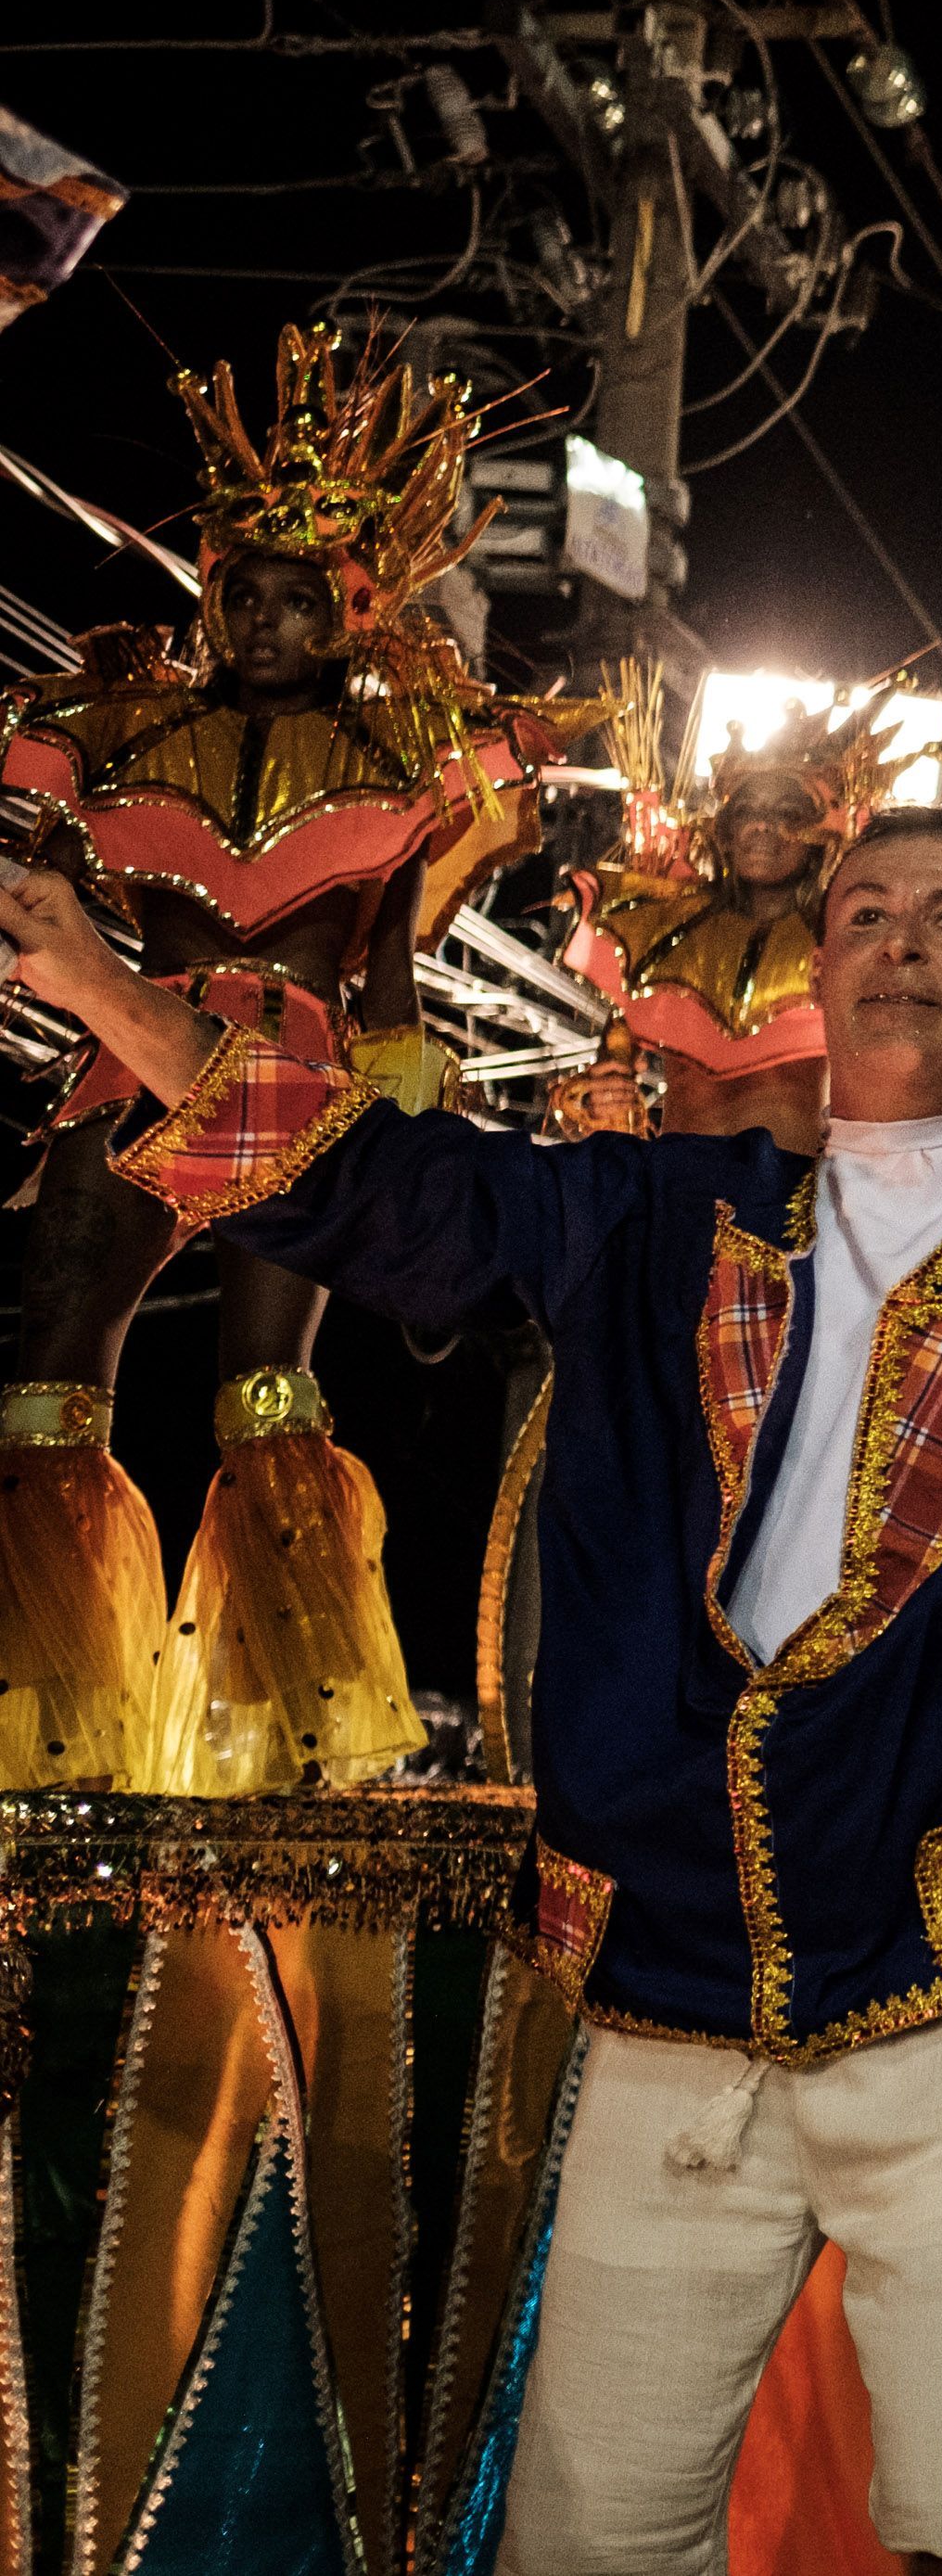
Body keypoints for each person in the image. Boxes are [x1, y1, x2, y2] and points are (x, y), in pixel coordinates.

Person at [0, 630, 942, 2573]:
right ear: (815, 968)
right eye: (867, 911)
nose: (901, 938)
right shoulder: (659, 1216)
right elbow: (373, 1188)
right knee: (593, 2532)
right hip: (675, 1973)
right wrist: (97, 986)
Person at [0, 329, 526, 1792]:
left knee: (263, 1388)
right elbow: (27, 801)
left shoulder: (403, 759)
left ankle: (284, 1736)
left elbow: (394, 958)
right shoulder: (125, 724)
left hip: (288, 1073)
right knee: (50, 1364)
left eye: (304, 600)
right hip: (126, 1049)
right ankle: (48, 1726)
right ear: (213, 599)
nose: (269, 622)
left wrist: (408, 1087)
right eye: (245, 594)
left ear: (348, 616)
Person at [566, 675, 935, 1156]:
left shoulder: (851, 948)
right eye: (748, 810)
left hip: (791, 1210)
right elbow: (604, 1087)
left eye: (787, 811)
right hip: (678, 1203)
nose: (762, 824)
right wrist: (594, 1102)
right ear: (726, 829)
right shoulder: (661, 931)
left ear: (823, 834)